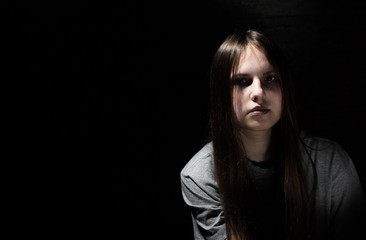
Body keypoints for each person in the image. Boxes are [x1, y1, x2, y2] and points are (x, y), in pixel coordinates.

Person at [180, 29, 365, 240]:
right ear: (222, 94)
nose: (258, 92)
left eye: (270, 78)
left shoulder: (331, 163)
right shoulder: (200, 175)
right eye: (242, 81)